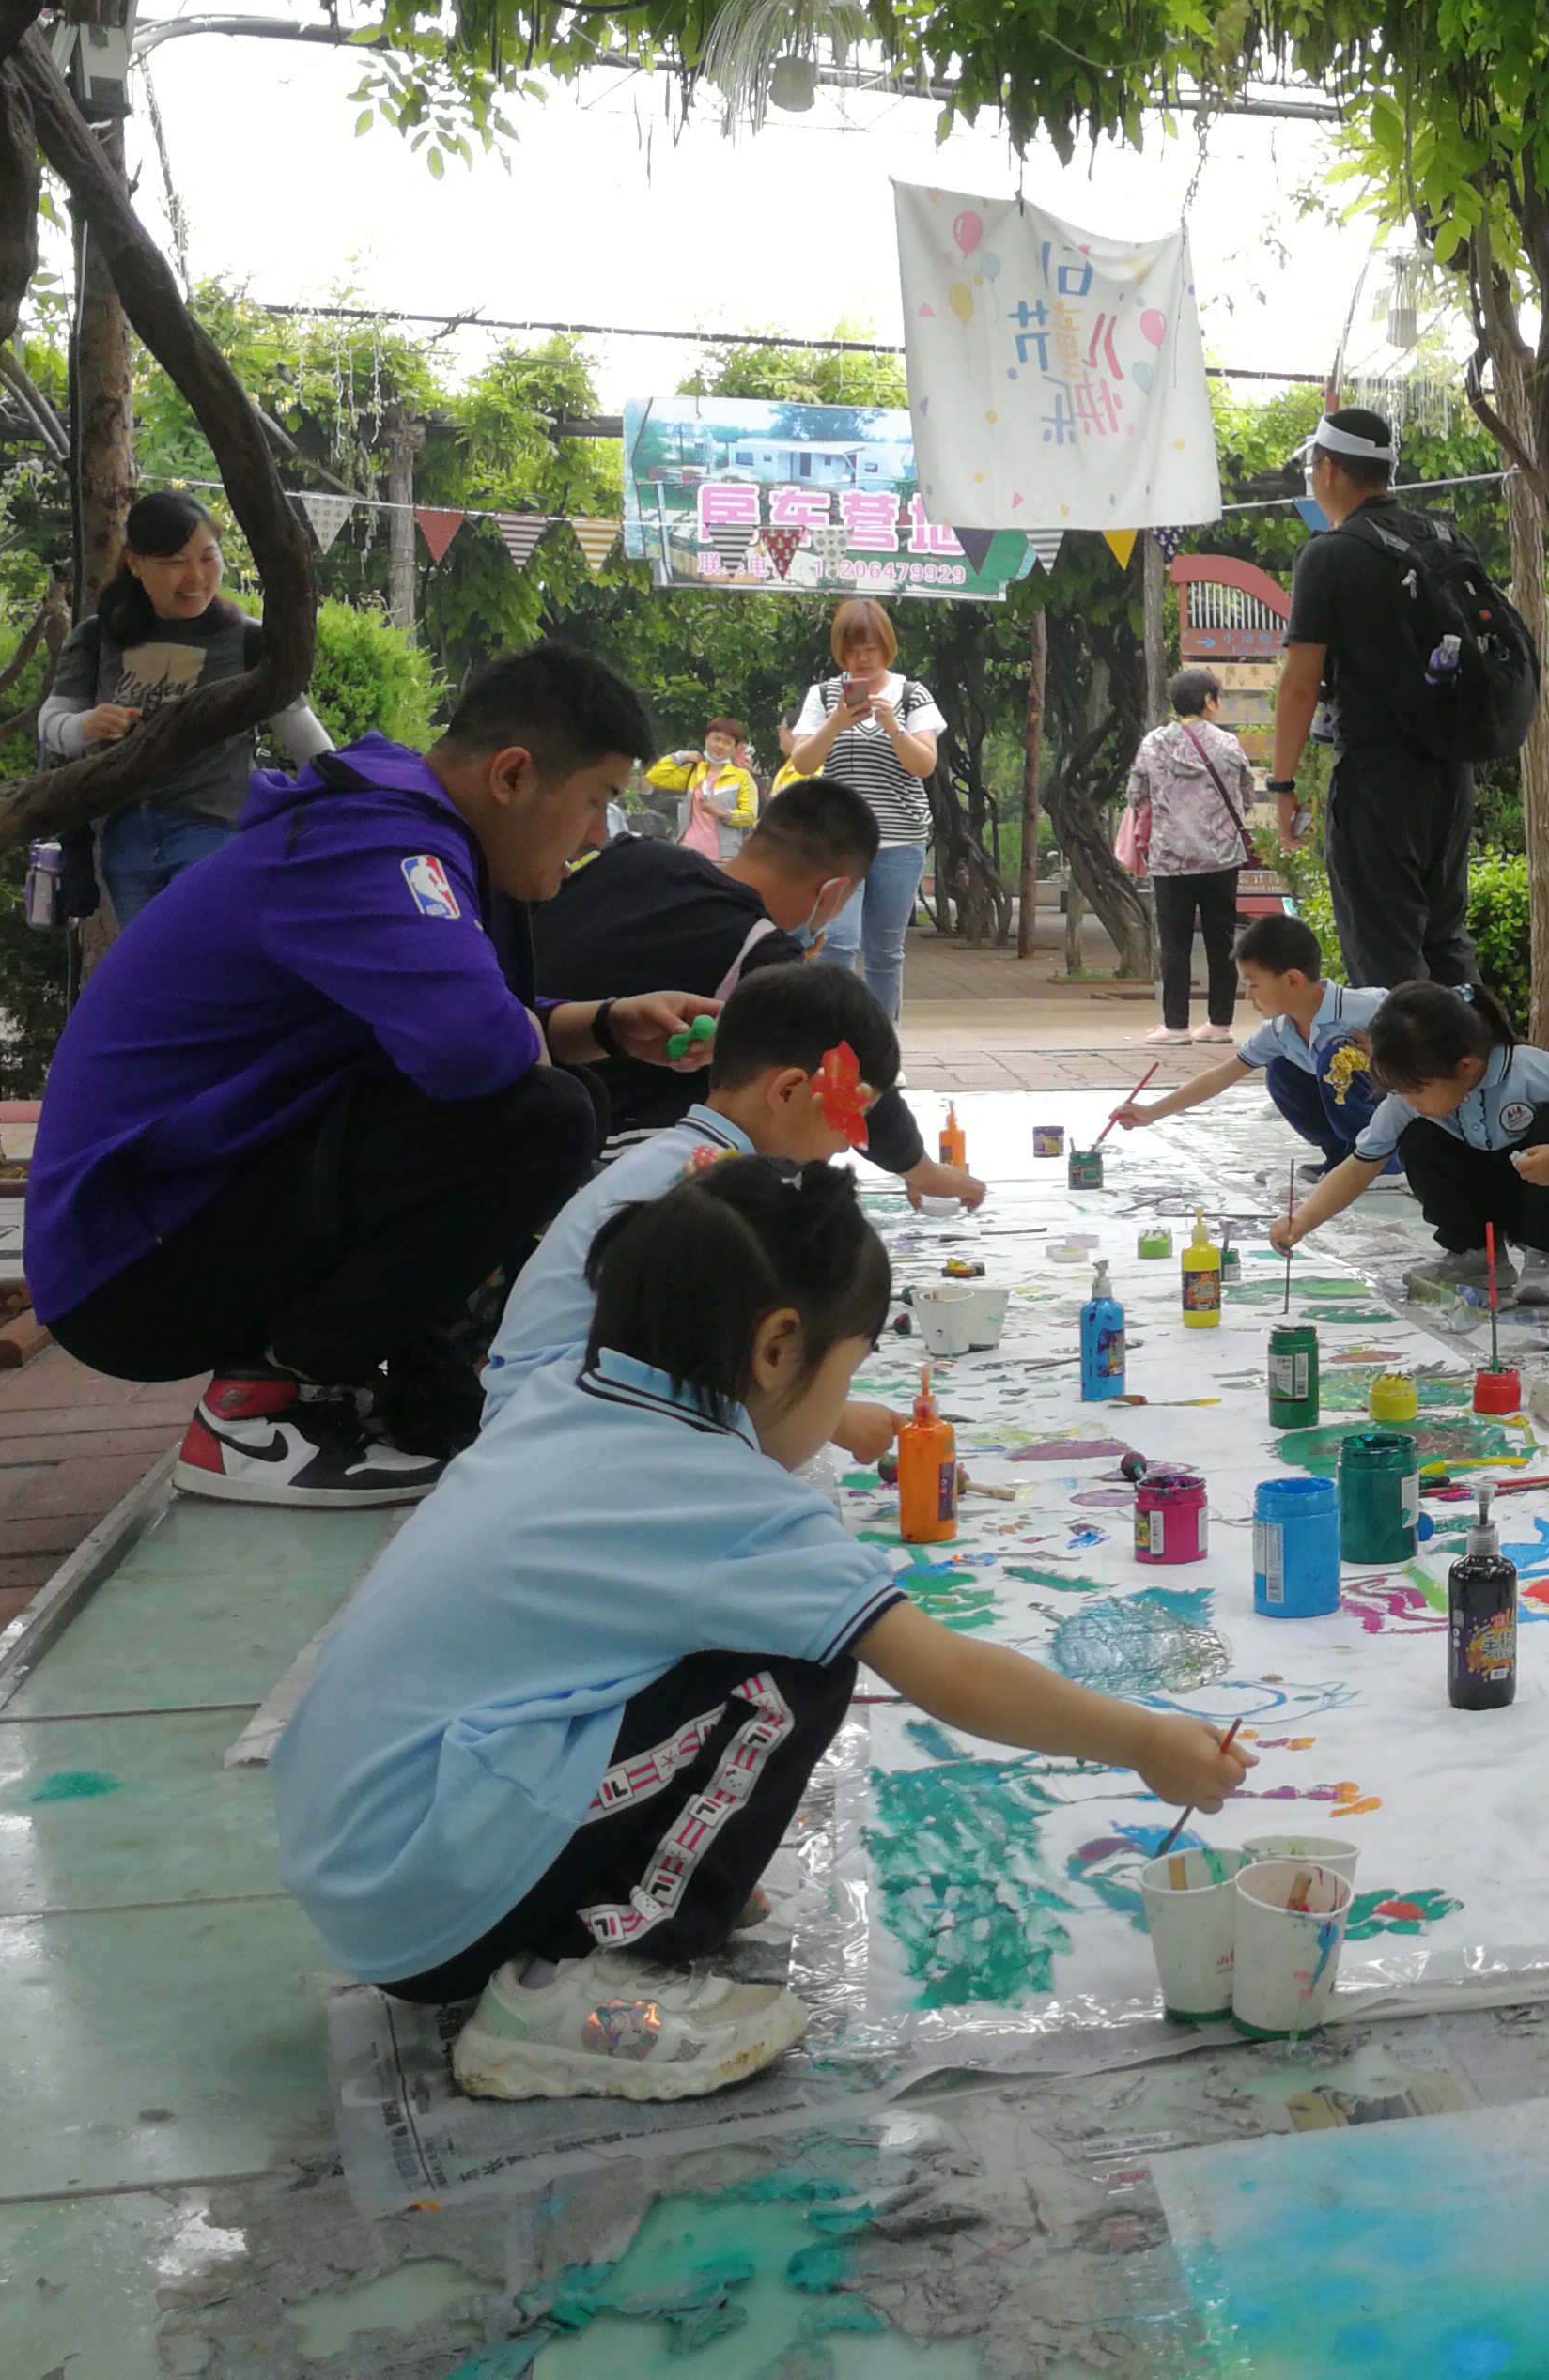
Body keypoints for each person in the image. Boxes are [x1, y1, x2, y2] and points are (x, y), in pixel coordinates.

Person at [271, 1155, 1253, 2102]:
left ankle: (632, 1878)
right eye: (841, 1378)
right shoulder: (726, 1505)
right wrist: (1145, 1741)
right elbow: (949, 1673)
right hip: (431, 1902)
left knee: (746, 1644)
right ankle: (575, 1976)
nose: (834, 1407)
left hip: (366, 1849)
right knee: (800, 1660)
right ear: (777, 1349)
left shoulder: (567, 1402)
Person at [32, 644, 714, 1510]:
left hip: (169, 1218)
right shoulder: (382, 843)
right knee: (546, 1117)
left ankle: (366, 1381)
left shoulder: (405, 823)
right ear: (513, 775)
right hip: (129, 1266)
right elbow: (478, 1049)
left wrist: (611, 1022)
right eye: (596, 803)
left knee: (561, 1098)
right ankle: (267, 1408)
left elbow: (468, 1026)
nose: (596, 839)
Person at [482, 959, 923, 1446]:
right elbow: (705, 1354)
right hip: (556, 1424)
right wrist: (833, 1417)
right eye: (848, 1119)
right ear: (791, 1089)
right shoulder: (707, 1188)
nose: (846, 1146)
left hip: (545, 1405)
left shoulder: (697, 1156)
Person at [531, 775, 985, 1213]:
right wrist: (921, 1170)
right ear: (832, 893)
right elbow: (852, 1074)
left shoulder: (634, 855)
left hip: (523, 1084)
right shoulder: (760, 951)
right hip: (592, 1149)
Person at [38, 488, 337, 923]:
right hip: (125, 840)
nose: (196, 576)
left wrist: (353, 798)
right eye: (175, 562)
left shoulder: (249, 640)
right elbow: (51, 725)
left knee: (201, 964)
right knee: (152, 976)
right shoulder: (96, 638)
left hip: (214, 834)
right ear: (135, 563)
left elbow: (306, 739)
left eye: (208, 557)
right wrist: (84, 725)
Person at [1266, 981, 1549, 1302]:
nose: (1409, 1100)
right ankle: (1476, 1256)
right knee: (1418, 1134)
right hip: (1488, 1183)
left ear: (1466, 1066)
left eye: (1417, 1090)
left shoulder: (1529, 1069)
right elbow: (1360, 1165)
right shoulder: (1409, 1102)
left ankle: (1545, 1255)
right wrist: (1301, 1221)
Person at [1269, 407, 1476, 991]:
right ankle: (1475, 1074)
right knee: (1445, 942)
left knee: (1385, 959)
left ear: (1328, 469)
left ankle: (1405, 1081)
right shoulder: (1442, 539)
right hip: (1449, 777)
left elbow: (1301, 684)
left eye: (1313, 467)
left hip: (1377, 780)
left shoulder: (1329, 555)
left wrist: (1282, 787)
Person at [1113, 912, 1386, 1182]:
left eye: (1253, 985)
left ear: (1292, 980)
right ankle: (1342, 1156)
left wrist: (1383, 1053)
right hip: (1360, 1114)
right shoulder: (1279, 1031)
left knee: (1335, 1060)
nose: (1248, 996)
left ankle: (1383, 1165)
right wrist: (1151, 1112)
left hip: (1394, 1111)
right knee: (1280, 1070)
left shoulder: (1369, 1008)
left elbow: (1426, 1030)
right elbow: (1221, 1076)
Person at [782, 601, 943, 1021]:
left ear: (887, 646)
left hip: (900, 840)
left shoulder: (913, 695)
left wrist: (894, 727)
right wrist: (835, 722)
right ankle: (834, 1040)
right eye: (854, 649)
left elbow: (924, 764)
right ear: (841, 650)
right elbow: (802, 762)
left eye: (872, 647)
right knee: (837, 940)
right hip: (840, 841)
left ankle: (882, 1051)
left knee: (885, 951)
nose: (863, 658)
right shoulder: (822, 696)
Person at [1125, 669, 1257, 1044]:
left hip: (1170, 858)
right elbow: (1245, 792)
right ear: (1206, 702)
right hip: (1221, 857)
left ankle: (1176, 1025)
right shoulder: (1227, 744)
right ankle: (1219, 1025)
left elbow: (1137, 795)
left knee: (1175, 942)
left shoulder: (1153, 744)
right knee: (1221, 940)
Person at [645, 717, 760, 862]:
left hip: (721, 858)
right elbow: (654, 777)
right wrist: (682, 756)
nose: (719, 746)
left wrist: (720, 813)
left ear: (735, 747)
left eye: (727, 742)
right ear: (706, 738)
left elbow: (749, 816)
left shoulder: (742, 777)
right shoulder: (693, 772)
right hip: (687, 852)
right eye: (716, 739)